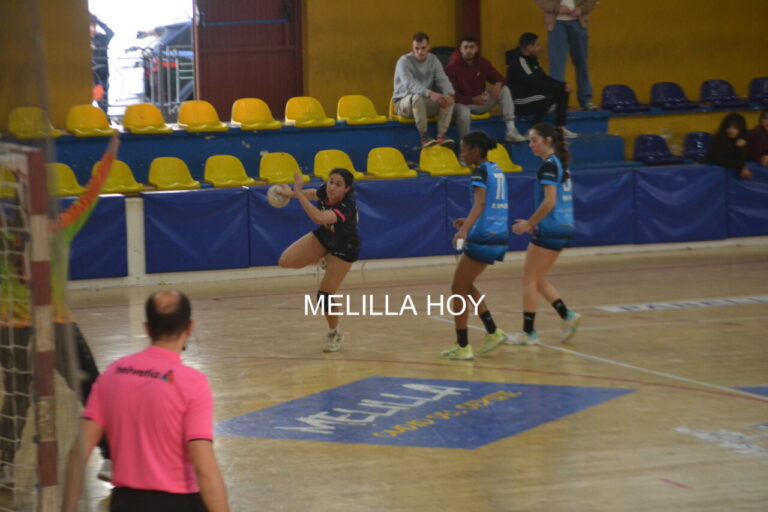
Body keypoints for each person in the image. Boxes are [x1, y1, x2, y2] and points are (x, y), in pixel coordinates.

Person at [0, 138, 119, 487]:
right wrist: (111, 154)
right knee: (93, 390)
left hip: (12, 328)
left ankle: (4, 465)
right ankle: (111, 458)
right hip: (56, 324)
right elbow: (91, 195)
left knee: (18, 397)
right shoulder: (60, 227)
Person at [62, 290, 229, 512]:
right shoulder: (193, 383)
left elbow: (77, 455)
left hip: (125, 503)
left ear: (147, 328)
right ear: (189, 328)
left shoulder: (113, 373)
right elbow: (205, 470)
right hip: (178, 503)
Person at [440, 131, 512, 360]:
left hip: (484, 236)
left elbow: (480, 204)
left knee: (457, 289)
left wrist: (464, 229)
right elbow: (492, 205)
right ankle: (492, 331)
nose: (462, 154)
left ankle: (463, 346)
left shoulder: (480, 172)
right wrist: (469, 220)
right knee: (466, 285)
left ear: (475, 151)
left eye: (464, 149)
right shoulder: (496, 169)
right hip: (499, 233)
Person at [509, 122, 581, 345]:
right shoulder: (558, 163)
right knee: (536, 278)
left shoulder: (549, 166)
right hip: (564, 227)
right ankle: (567, 316)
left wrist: (529, 223)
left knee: (529, 279)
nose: (531, 144)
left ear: (548, 140)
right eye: (529, 140)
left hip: (551, 228)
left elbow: (549, 202)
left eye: (534, 140)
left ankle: (528, 332)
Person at [278, 169, 360, 353]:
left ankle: (334, 332)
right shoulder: (327, 191)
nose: (331, 187)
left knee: (324, 295)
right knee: (285, 261)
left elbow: (319, 217)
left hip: (344, 248)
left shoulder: (347, 206)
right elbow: (315, 193)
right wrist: (291, 194)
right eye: (331, 181)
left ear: (347, 189)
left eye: (338, 184)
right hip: (326, 237)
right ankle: (323, 259)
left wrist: (298, 195)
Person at [445, 37, 526, 143]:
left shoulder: (482, 62)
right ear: (460, 49)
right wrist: (472, 100)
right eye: (465, 47)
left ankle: (511, 130)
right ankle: (465, 147)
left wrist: (498, 84)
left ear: (476, 49)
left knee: (504, 90)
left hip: (480, 101)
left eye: (471, 47)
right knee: (464, 112)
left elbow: (500, 78)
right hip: (462, 103)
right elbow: (453, 97)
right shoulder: (451, 68)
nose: (469, 50)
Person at [506, 33, 578, 138]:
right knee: (546, 98)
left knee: (563, 91)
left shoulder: (533, 58)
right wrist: (557, 87)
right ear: (529, 47)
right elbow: (533, 82)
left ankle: (560, 128)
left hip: (532, 95)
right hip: (519, 100)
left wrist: (562, 85)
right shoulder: (518, 61)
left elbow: (543, 77)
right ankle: (532, 131)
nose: (539, 48)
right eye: (537, 45)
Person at [393, 32, 456, 148]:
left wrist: (450, 94)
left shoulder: (433, 60)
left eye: (423, 48)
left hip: (424, 101)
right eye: (416, 48)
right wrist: (430, 93)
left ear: (429, 47)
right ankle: (424, 137)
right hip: (403, 103)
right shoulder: (403, 61)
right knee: (417, 97)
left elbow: (442, 78)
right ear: (412, 48)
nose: (420, 52)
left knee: (448, 99)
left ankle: (441, 136)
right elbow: (409, 85)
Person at [536, 0, 599, 111]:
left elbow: (592, 1)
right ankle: (556, 102)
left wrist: (581, 9)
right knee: (556, 66)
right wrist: (558, 8)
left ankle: (586, 100)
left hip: (579, 23)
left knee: (582, 64)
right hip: (556, 23)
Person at [705, 112, 753, 179]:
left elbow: (741, 159)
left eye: (735, 128)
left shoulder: (742, 140)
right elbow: (719, 160)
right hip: (710, 171)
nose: (731, 130)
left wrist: (741, 148)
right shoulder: (719, 138)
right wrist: (741, 166)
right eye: (729, 127)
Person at [90, 13, 114, 114]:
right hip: (90, 75)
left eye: (94, 26)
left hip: (102, 74)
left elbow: (110, 33)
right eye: (90, 25)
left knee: (102, 100)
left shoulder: (101, 38)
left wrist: (98, 21)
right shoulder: (81, 40)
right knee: (90, 100)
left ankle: (105, 119)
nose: (92, 28)